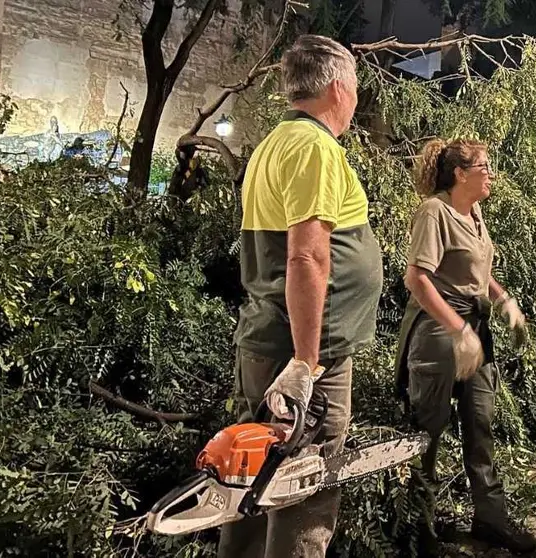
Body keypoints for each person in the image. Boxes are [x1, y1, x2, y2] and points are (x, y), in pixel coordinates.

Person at [218, 35, 384, 558]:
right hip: (310, 353)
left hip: (268, 339)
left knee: (251, 479)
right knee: (303, 490)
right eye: (355, 90)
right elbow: (306, 257)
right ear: (338, 87)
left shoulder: (275, 142)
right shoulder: (315, 148)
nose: (356, 101)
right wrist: (306, 364)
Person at [393, 138, 536, 554]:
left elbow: (478, 272)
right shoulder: (434, 212)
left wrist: (503, 299)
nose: (490, 174)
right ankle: (419, 529)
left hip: (475, 331)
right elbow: (418, 279)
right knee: (428, 432)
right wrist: (458, 330)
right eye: (484, 166)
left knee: (481, 427)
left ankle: (490, 519)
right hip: (440, 334)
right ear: (460, 173)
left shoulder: (474, 213)